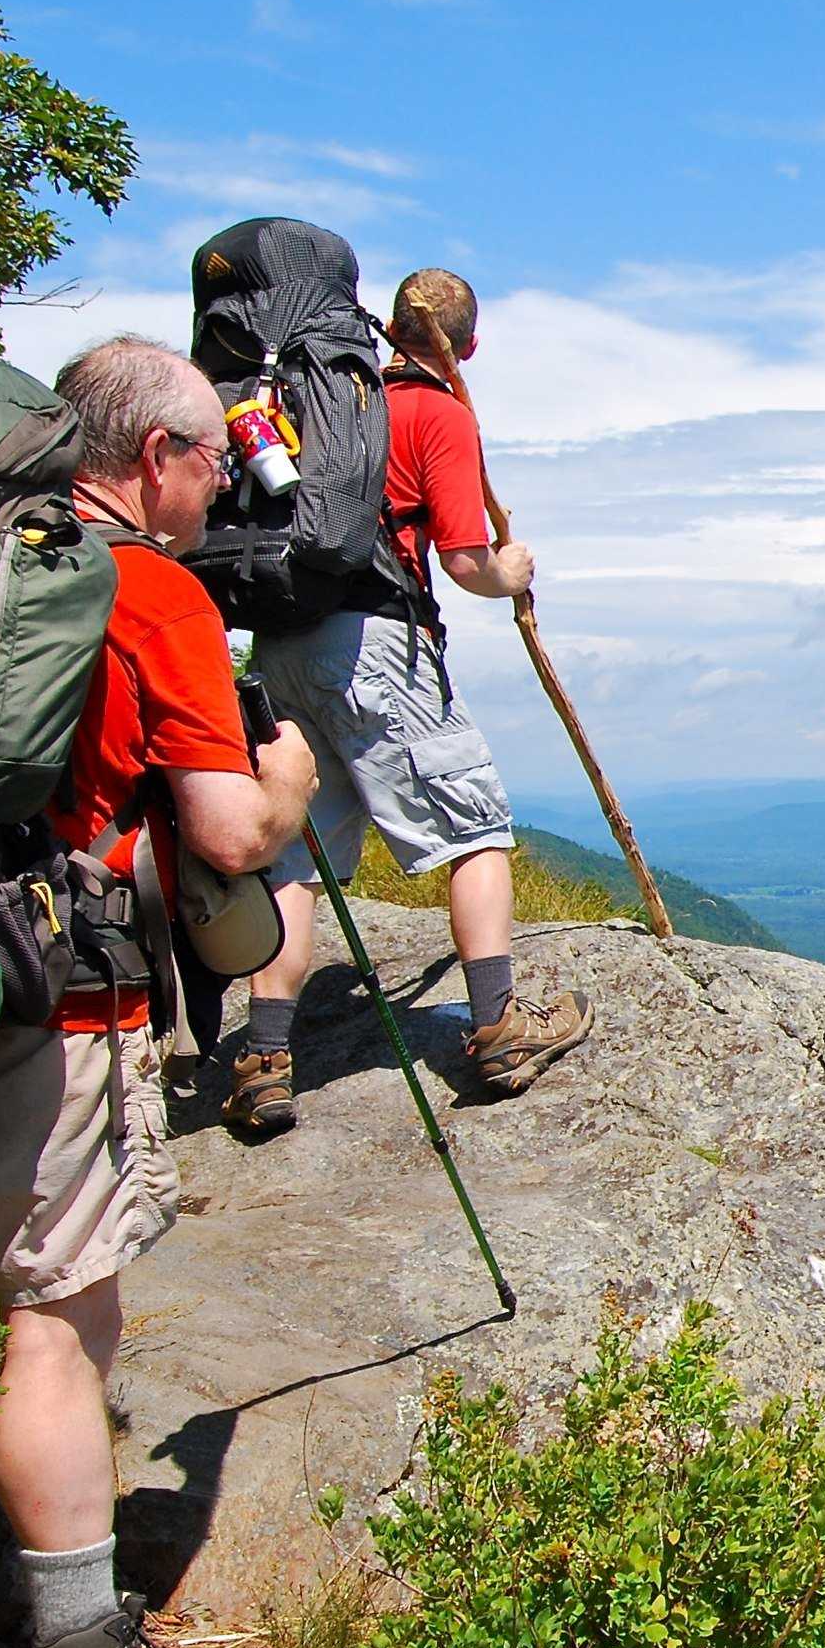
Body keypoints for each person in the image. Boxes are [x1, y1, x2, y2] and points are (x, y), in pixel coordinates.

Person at [0, 334, 319, 1648]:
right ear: (159, 457)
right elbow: (229, 837)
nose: (214, 489)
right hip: (52, 1001)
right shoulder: (143, 591)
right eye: (207, 463)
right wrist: (289, 781)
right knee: (59, 1327)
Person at [224, 266, 589, 1136]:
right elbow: (466, 562)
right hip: (378, 644)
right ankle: (499, 1024)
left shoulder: (324, 405)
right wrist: (514, 575)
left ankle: (265, 1057)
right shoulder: (438, 412)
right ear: (468, 346)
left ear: (387, 329)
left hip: (282, 645)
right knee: (476, 826)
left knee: (300, 851)